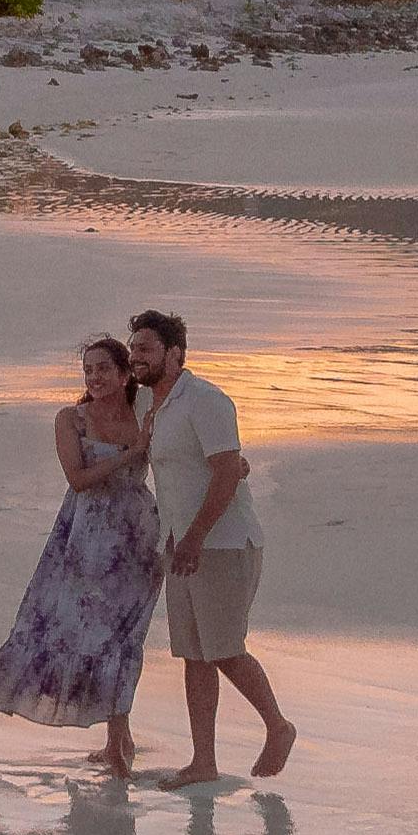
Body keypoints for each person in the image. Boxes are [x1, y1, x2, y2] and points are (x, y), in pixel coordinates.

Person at [0, 336, 165, 775]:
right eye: (88, 370)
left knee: (126, 638)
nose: (94, 377)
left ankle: (118, 740)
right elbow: (78, 478)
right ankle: (117, 737)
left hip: (137, 540)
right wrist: (131, 454)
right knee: (82, 633)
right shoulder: (71, 419)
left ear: (124, 373)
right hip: (87, 541)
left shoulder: (146, 411)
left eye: (103, 369)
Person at [124, 309, 297, 788]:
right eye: (134, 348)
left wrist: (196, 536)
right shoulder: (151, 406)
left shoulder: (206, 400)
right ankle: (204, 762)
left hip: (222, 543)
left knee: (224, 650)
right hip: (181, 545)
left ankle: (278, 727)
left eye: (146, 349)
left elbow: (225, 471)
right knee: (194, 655)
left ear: (175, 354)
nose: (137, 357)